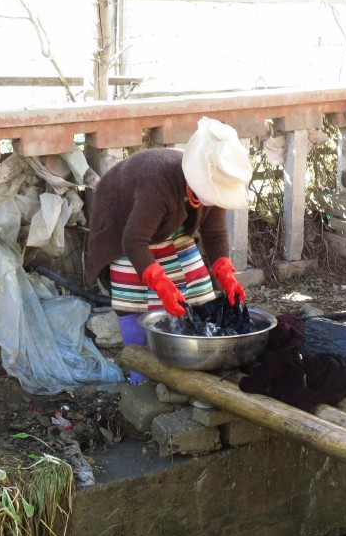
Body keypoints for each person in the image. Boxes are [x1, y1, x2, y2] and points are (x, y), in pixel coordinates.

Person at [85, 116, 253, 382]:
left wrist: (224, 269)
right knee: (134, 297)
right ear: (199, 177)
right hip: (124, 226)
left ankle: (186, 353)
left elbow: (215, 231)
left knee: (198, 286)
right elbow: (134, 241)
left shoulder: (214, 180)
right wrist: (159, 282)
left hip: (169, 227)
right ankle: (138, 372)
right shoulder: (159, 182)